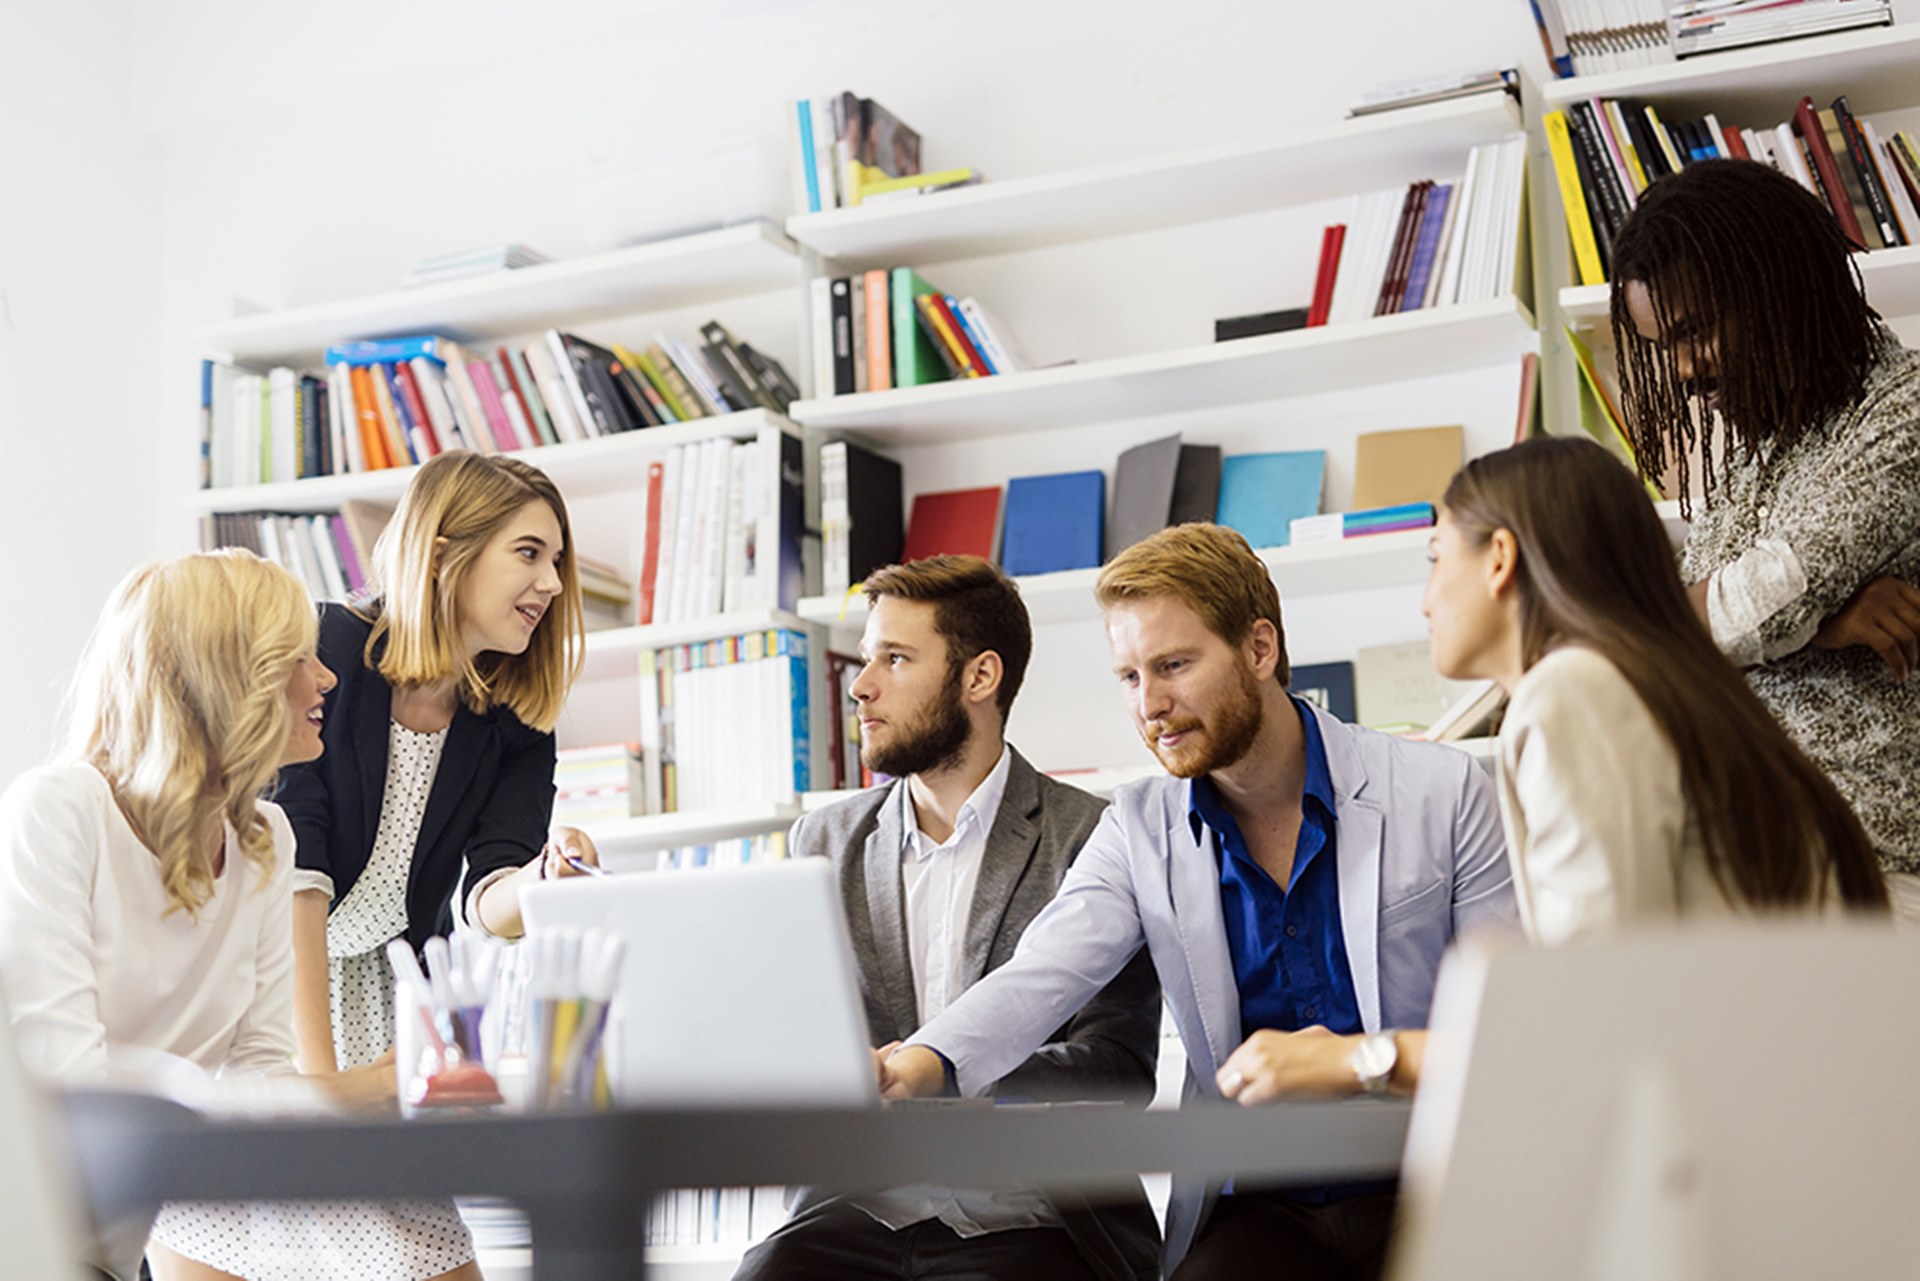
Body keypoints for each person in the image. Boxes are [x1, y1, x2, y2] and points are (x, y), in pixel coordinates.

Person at [878, 525, 1516, 1281]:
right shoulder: (1139, 826)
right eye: (1128, 676)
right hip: (1260, 1204)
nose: (1150, 703)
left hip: (1432, 1174)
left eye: (1173, 664)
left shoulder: (1442, 791)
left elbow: (1512, 1033)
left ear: (1259, 648)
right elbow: (1042, 971)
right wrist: (922, 1062)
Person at [734, 555, 1163, 1281]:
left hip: (1036, 1213)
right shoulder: (824, 842)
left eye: (894, 658)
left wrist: (949, 1074)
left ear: (979, 677)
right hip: (859, 1205)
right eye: (867, 658)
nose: (861, 685)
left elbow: (1120, 1067)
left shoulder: (1093, 836)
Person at [0, 550, 401, 1279]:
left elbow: (261, 1073)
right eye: (298, 658)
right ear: (227, 676)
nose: (327, 678)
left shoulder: (268, 843)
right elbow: (71, 1092)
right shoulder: (60, 811)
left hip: (109, 1251)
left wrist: (390, 1090)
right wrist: (360, 1090)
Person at [270, 450, 599, 1277]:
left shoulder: (517, 716)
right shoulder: (327, 647)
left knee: (425, 1249)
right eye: (529, 552)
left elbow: (489, 896)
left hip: (386, 996)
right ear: (447, 552)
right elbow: (295, 871)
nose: (553, 583)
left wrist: (544, 881)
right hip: (277, 982)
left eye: (556, 560)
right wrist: (320, 1083)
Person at [1607, 158, 1920, 917]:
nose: (1682, 370)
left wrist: (1782, 621)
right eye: (1663, 347)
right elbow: (1667, 639)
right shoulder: (1758, 448)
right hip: (1740, 868)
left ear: (1775, 290)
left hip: (1861, 873)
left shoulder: (1902, 415)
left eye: (1695, 333)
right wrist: (1825, 629)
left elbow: (1766, 599)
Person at [1423, 437, 1890, 942]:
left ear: (1499, 558)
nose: (1425, 603)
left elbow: (1604, 975)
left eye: (1436, 558)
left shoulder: (1573, 691)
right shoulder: (1657, 683)